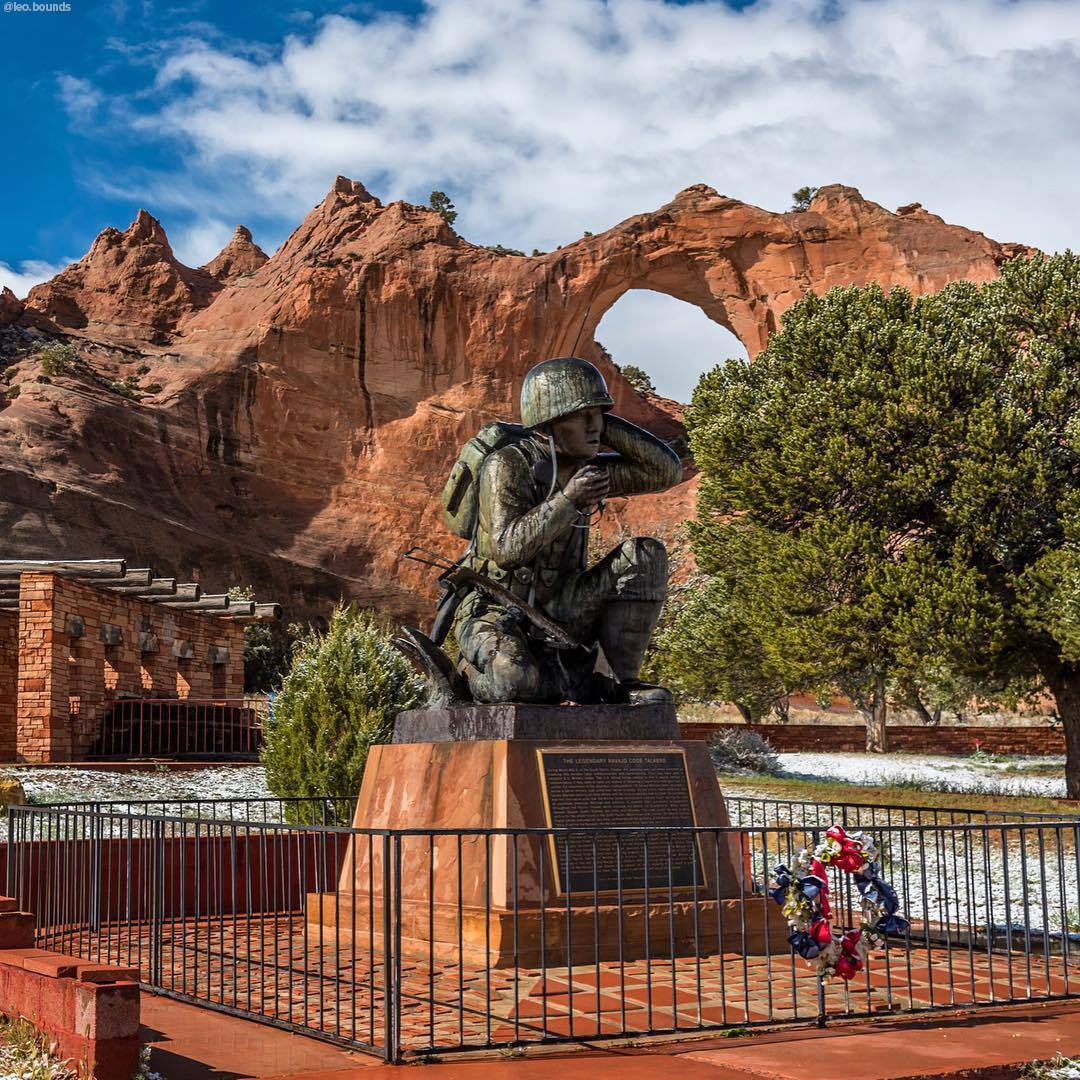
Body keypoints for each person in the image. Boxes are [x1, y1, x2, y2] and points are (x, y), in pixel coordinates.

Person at [451, 356, 683, 705]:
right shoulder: (509, 464)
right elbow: (505, 549)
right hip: (496, 606)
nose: (595, 427)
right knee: (513, 683)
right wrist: (568, 500)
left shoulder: (586, 467)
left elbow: (665, 472)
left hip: (563, 603)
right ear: (550, 423)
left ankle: (619, 682)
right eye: (582, 417)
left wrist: (604, 424)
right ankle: (467, 685)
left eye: (599, 415)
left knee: (645, 555)